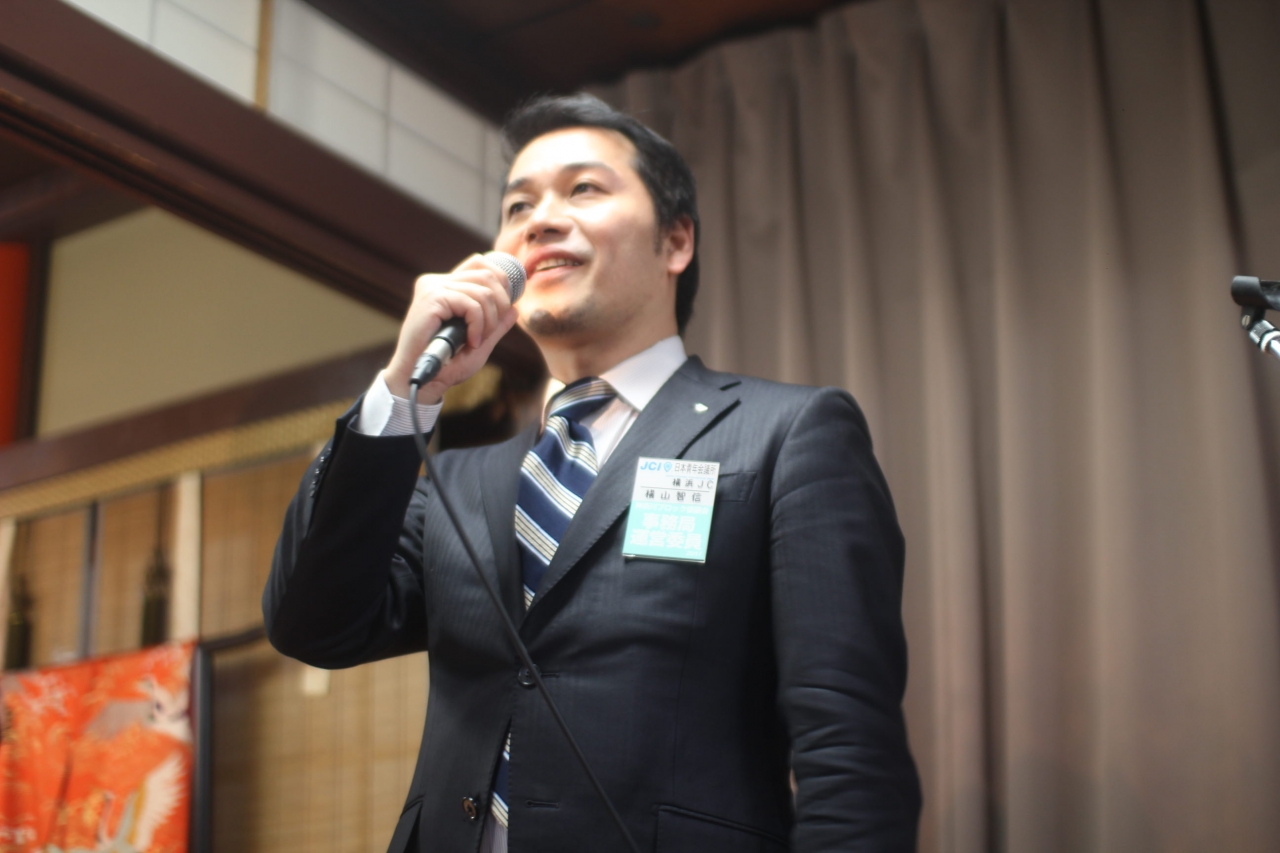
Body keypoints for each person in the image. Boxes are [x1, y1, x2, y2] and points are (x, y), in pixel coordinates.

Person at [264, 93, 921, 853]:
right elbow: (313, 622)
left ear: (676, 241)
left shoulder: (787, 433)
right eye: (518, 206)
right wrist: (405, 384)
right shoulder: (458, 483)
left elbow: (849, 747)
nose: (540, 220)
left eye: (583, 188)